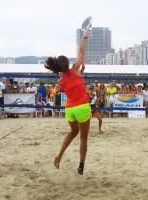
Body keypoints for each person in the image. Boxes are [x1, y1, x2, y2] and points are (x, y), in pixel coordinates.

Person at [45, 31, 90, 175]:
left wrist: (80, 72)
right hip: (82, 107)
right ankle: (81, 166)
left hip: (69, 110)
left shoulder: (60, 81)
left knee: (73, 132)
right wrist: (83, 37)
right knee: (83, 138)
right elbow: (81, 51)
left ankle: (59, 156)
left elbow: (73, 82)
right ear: (68, 64)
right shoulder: (75, 69)